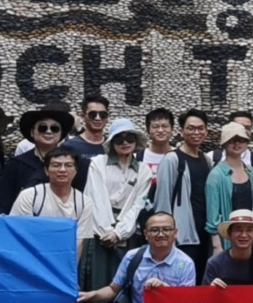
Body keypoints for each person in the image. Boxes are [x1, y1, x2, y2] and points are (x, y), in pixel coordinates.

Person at [82, 119, 156, 292]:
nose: (125, 143)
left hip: (127, 229)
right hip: (98, 228)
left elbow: (138, 204)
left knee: (124, 278)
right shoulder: (98, 163)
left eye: (129, 138)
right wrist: (106, 231)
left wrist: (119, 232)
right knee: (98, 277)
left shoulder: (144, 170)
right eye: (119, 139)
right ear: (112, 142)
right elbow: (95, 197)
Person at [153, 109, 216, 278]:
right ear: (181, 132)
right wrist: (165, 234)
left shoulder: (207, 160)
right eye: (191, 128)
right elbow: (162, 200)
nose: (196, 132)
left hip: (204, 234)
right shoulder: (172, 159)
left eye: (200, 128)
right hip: (182, 235)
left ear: (206, 131)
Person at [12, 148, 96, 265]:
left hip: (65, 259)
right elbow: (20, 233)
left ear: (76, 171)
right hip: (31, 258)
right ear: (46, 170)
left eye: (68, 165)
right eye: (56, 165)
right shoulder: (31, 196)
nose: (62, 170)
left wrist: (69, 270)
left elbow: (79, 241)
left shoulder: (84, 202)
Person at [0, 102, 81, 213]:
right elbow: (5, 201)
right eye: (42, 128)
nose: (48, 131)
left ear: (61, 134)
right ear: (32, 132)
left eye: (54, 128)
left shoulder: (72, 163)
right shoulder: (16, 164)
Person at [203, 122, 253, 248]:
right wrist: (217, 246)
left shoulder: (250, 171)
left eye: (241, 140)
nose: (237, 143)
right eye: (232, 140)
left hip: (248, 235)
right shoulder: (216, 175)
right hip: (227, 239)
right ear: (224, 143)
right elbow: (212, 215)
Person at [204, 209, 253, 287]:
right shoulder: (215, 264)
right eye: (238, 230)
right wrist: (211, 290)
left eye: (249, 230)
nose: (244, 235)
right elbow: (204, 294)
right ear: (229, 233)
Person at [63, 95, 111, 159]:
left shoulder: (113, 146)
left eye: (102, 114)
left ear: (107, 117)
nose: (98, 118)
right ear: (83, 116)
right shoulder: (70, 146)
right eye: (92, 114)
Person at [140, 108, 176, 172]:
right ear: (147, 130)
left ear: (172, 129)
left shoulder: (179, 156)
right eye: (155, 126)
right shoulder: (138, 157)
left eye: (165, 126)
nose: (160, 130)